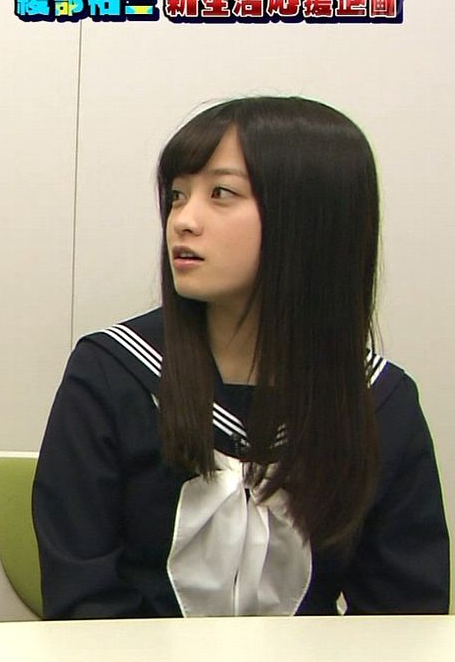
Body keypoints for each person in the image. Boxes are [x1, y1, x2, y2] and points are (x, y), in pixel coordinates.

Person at [33, 96, 448, 619]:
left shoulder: (378, 400)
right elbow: (82, 601)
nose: (183, 220)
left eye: (221, 194)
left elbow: (405, 614)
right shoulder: (113, 374)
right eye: (177, 195)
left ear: (311, 217)